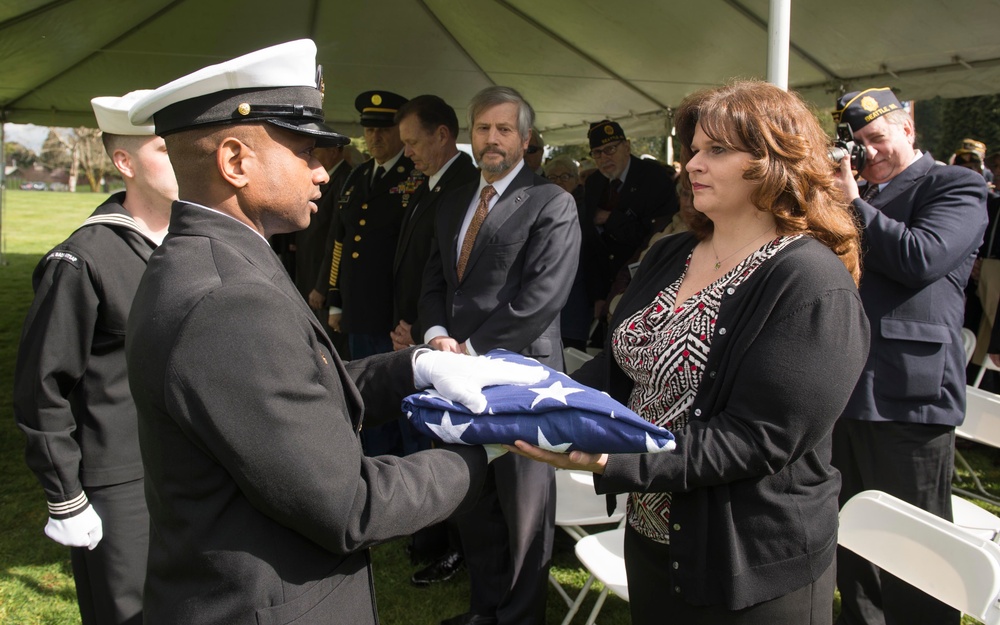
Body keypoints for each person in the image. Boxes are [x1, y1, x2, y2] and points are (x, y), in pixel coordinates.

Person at [123, 39, 544, 625]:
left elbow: (291, 389)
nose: (323, 169)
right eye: (303, 151)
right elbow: (351, 504)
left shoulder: (212, 261)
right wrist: (484, 453)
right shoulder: (228, 299)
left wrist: (415, 367)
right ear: (235, 161)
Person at [508, 79, 870, 625]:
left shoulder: (810, 281)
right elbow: (622, 366)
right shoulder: (675, 251)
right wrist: (539, 397)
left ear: (775, 162)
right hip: (652, 537)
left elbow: (760, 438)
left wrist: (614, 458)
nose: (692, 164)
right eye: (694, 149)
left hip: (748, 565)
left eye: (716, 150)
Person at [13, 89, 178, 625]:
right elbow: (42, 386)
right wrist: (66, 495)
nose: (181, 157)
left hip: (190, 468)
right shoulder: (84, 259)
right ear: (125, 162)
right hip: (121, 480)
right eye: (163, 148)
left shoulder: (195, 241)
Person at [419, 85, 581, 625]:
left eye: (504, 129)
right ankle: (484, 611)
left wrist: (467, 348)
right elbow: (436, 280)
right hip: (459, 380)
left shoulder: (551, 203)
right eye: (483, 128)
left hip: (521, 382)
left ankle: (519, 617)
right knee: (476, 504)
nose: (492, 139)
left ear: (526, 139)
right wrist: (438, 330)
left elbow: (542, 297)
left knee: (524, 513)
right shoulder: (453, 200)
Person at [829, 87, 989, 625]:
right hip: (846, 383)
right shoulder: (860, 196)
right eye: (858, 143)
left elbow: (922, 257)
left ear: (908, 131)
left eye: (877, 138)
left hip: (909, 392)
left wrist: (850, 202)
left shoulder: (956, 184)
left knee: (916, 549)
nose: (869, 152)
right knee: (855, 537)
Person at [387, 94, 480, 580]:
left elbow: (448, 274)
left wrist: (422, 329)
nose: (408, 154)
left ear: (442, 135)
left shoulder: (465, 186)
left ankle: (452, 547)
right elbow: (415, 265)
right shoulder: (431, 185)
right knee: (422, 439)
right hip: (419, 333)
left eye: (413, 142)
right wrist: (406, 323)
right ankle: (430, 535)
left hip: (445, 342)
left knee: (444, 449)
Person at [328, 89, 421, 456]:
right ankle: (374, 466)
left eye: (383, 129)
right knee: (364, 396)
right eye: (369, 130)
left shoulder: (415, 175)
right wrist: (336, 300)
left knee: (399, 399)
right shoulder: (358, 176)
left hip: (393, 313)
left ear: (399, 131)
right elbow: (340, 241)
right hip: (357, 310)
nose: (375, 137)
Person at [584, 119, 678, 344]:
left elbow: (658, 233)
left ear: (626, 146)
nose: (604, 157)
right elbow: (589, 242)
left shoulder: (652, 177)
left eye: (610, 149)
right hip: (605, 288)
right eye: (597, 153)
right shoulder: (594, 183)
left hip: (641, 287)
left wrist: (610, 219)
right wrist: (597, 295)